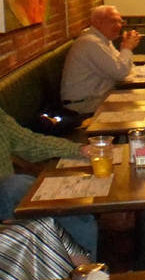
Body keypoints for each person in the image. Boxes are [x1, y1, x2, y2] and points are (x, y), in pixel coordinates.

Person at [0, 106, 97, 259]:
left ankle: (86, 274)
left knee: (76, 214)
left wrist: (78, 150)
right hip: (8, 194)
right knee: (15, 184)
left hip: (11, 195)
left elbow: (28, 142)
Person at [60, 5, 141, 115]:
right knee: (135, 108)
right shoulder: (91, 43)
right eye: (113, 21)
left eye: (120, 22)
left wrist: (124, 48)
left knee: (139, 102)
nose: (118, 26)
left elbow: (121, 66)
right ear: (97, 22)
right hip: (83, 105)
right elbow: (120, 72)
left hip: (96, 99)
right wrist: (127, 48)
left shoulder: (103, 40)